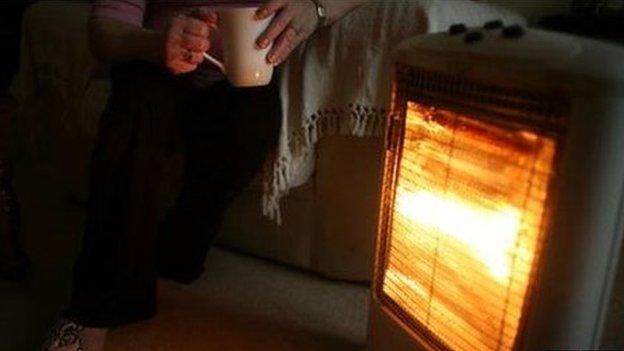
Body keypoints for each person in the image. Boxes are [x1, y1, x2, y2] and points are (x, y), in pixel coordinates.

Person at [44, 0, 367, 350]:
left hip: (244, 72)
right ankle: (92, 311)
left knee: (251, 122)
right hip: (155, 59)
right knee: (138, 108)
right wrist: (155, 43)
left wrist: (317, 8)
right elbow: (105, 29)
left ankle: (178, 245)